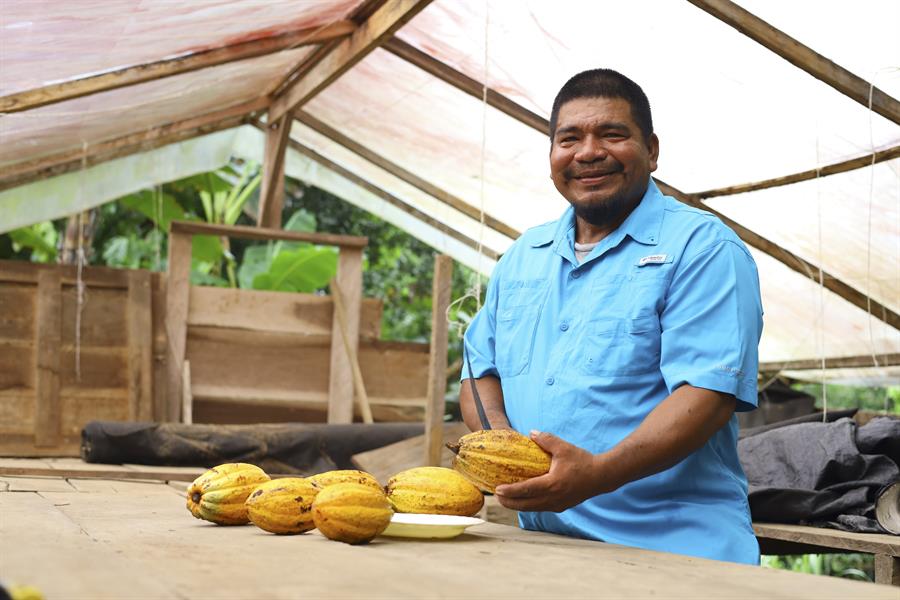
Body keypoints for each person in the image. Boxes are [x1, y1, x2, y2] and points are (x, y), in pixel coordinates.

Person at [460, 68, 763, 564]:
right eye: (569, 138)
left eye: (613, 134)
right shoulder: (523, 256)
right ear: (553, 154)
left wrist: (595, 473)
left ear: (653, 150)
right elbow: (478, 372)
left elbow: (708, 395)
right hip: (543, 549)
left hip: (675, 555)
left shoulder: (702, 248)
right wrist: (502, 449)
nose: (588, 152)